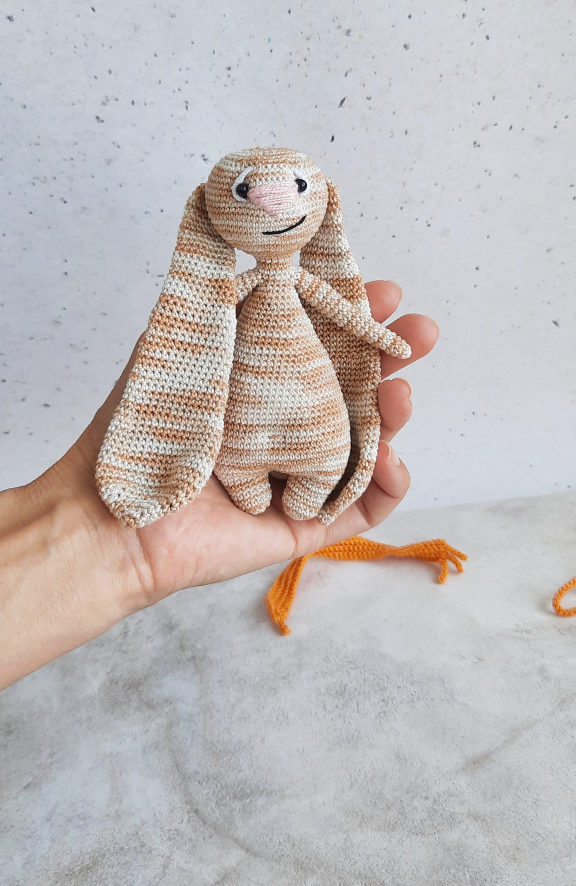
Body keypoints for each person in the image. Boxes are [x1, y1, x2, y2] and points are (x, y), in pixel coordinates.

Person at [0, 280, 437, 691]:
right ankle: (254, 485)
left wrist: (381, 338)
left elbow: (343, 311)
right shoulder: (230, 290)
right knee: (266, 459)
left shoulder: (285, 284)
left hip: (311, 432)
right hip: (240, 445)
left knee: (327, 457)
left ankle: (307, 488)